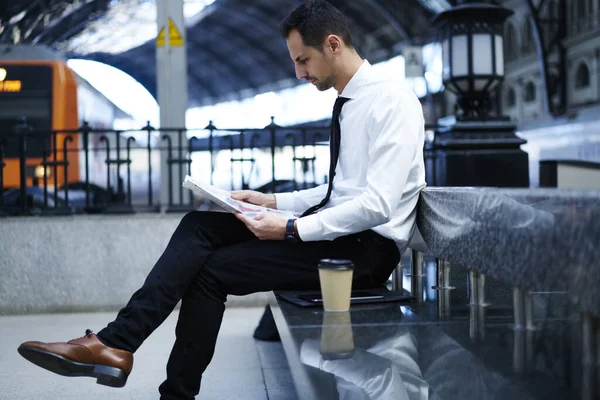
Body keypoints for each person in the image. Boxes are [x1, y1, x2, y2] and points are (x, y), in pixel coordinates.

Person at [16, 1, 426, 399]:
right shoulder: (349, 102)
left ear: (333, 45)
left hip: (366, 251)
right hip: (339, 235)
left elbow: (377, 204)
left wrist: (290, 228)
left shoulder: (391, 101)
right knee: (198, 225)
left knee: (209, 273)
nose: (299, 72)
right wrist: (271, 202)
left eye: (303, 60)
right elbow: (341, 190)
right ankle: (116, 344)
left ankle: (145, 369)